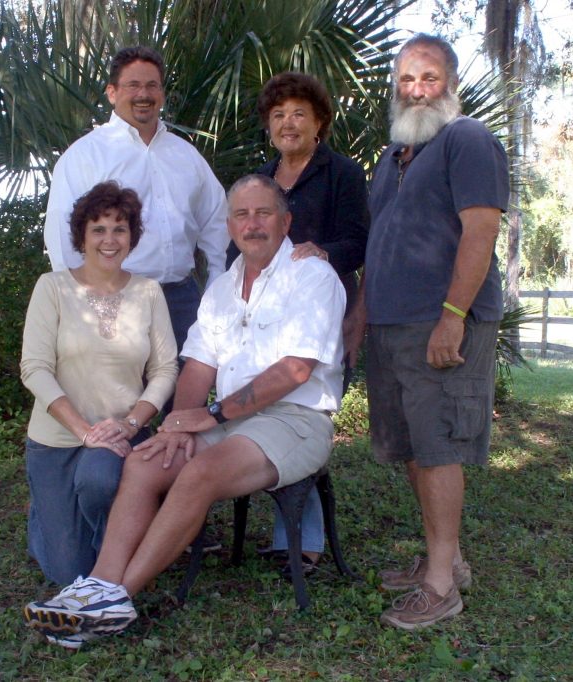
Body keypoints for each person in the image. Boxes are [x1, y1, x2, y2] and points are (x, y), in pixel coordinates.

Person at [23, 174, 346, 649]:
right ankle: (99, 581)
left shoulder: (312, 275)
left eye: (263, 213)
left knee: (199, 473)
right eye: (241, 214)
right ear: (230, 225)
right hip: (234, 420)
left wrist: (211, 416)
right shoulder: (222, 289)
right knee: (145, 460)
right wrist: (177, 424)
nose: (252, 224)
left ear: (286, 220)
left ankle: (113, 600)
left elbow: (296, 371)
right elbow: (196, 368)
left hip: (294, 419)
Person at [344, 34, 509, 630]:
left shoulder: (467, 140)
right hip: (392, 326)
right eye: (407, 79)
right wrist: (360, 314)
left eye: (429, 78)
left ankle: (441, 586)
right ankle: (448, 561)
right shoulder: (393, 158)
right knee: (414, 447)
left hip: (440, 324)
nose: (417, 90)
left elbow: (480, 232)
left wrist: (452, 317)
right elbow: (378, 243)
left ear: (450, 84)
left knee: (439, 447)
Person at [226, 72, 368, 573]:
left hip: (319, 316)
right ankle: (280, 528)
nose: (288, 123)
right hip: (262, 324)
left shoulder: (341, 175)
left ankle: (303, 539)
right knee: (262, 411)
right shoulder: (262, 180)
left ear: (319, 123)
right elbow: (238, 247)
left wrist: (323, 252)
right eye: (278, 115)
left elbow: (360, 240)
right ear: (269, 127)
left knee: (301, 410)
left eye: (298, 114)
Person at [21, 181, 178, 589]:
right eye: (98, 229)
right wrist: (84, 432)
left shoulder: (148, 292)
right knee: (65, 573)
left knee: (99, 482)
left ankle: (103, 540)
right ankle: (48, 513)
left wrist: (130, 423)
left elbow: (165, 369)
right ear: (81, 236)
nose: (109, 240)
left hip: (118, 436)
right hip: (57, 439)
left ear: (132, 237)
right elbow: (34, 368)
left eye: (119, 229)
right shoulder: (51, 288)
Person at [43, 46, 228, 354]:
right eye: (133, 85)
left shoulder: (185, 155)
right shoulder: (85, 155)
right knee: (119, 400)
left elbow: (216, 219)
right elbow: (63, 237)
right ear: (112, 92)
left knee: (182, 398)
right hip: (115, 299)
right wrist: (81, 305)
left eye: (152, 85)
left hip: (181, 303)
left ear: (162, 93)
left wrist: (216, 284)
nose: (144, 94)